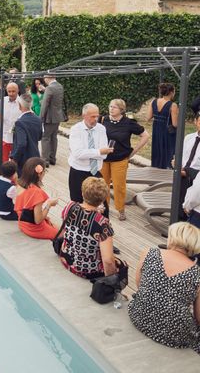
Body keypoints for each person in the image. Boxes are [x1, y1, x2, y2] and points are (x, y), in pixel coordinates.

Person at [128, 222, 200, 354]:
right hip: (174, 334)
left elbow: (139, 284)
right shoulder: (196, 273)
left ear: (172, 238)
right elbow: (198, 315)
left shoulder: (149, 253)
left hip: (140, 317)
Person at [57, 177, 120, 279]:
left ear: (82, 193)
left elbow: (67, 229)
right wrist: (110, 283)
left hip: (67, 259)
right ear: (102, 200)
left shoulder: (70, 207)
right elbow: (108, 261)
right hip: (88, 271)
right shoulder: (103, 224)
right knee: (121, 265)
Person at [100, 99, 149, 220]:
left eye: (114, 107)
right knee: (102, 185)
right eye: (110, 106)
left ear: (121, 110)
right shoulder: (103, 120)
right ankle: (104, 207)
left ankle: (120, 209)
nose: (111, 109)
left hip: (120, 159)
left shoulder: (128, 123)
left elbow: (145, 135)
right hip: (103, 158)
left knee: (119, 186)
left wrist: (133, 152)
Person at [68, 103, 113, 217]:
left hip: (95, 172)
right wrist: (98, 152)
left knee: (103, 206)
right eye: (93, 116)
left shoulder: (101, 129)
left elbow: (105, 155)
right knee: (78, 205)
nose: (96, 119)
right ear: (84, 116)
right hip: (78, 172)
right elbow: (78, 153)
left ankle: (103, 230)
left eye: (97, 116)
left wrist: (93, 153)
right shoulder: (76, 129)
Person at [15, 157, 59, 240]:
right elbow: (38, 220)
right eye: (44, 171)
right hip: (34, 229)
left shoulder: (19, 184)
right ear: (39, 173)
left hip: (23, 224)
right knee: (63, 235)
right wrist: (49, 204)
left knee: (54, 225)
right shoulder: (36, 192)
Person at [10, 93, 43, 174]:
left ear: (19, 105)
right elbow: (39, 137)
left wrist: (14, 159)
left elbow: (21, 144)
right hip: (35, 156)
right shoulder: (38, 119)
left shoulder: (20, 122)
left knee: (23, 183)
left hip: (24, 160)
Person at [147, 82, 178, 169]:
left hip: (156, 128)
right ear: (171, 92)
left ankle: (156, 167)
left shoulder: (153, 102)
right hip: (168, 131)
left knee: (157, 148)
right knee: (168, 150)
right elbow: (175, 124)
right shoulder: (173, 105)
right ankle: (166, 168)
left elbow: (148, 117)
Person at [40, 74, 66, 167]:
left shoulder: (49, 88)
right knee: (54, 137)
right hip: (58, 116)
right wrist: (45, 90)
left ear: (48, 78)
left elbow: (45, 104)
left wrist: (41, 117)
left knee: (45, 138)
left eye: (44, 78)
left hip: (49, 117)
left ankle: (45, 160)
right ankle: (52, 158)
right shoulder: (60, 86)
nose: (44, 80)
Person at [0, 82, 21, 163]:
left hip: (17, 136)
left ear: (18, 91)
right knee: (4, 159)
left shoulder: (22, 102)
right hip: (4, 134)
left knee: (16, 160)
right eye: (9, 91)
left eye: (13, 91)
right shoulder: (3, 100)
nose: (11, 93)